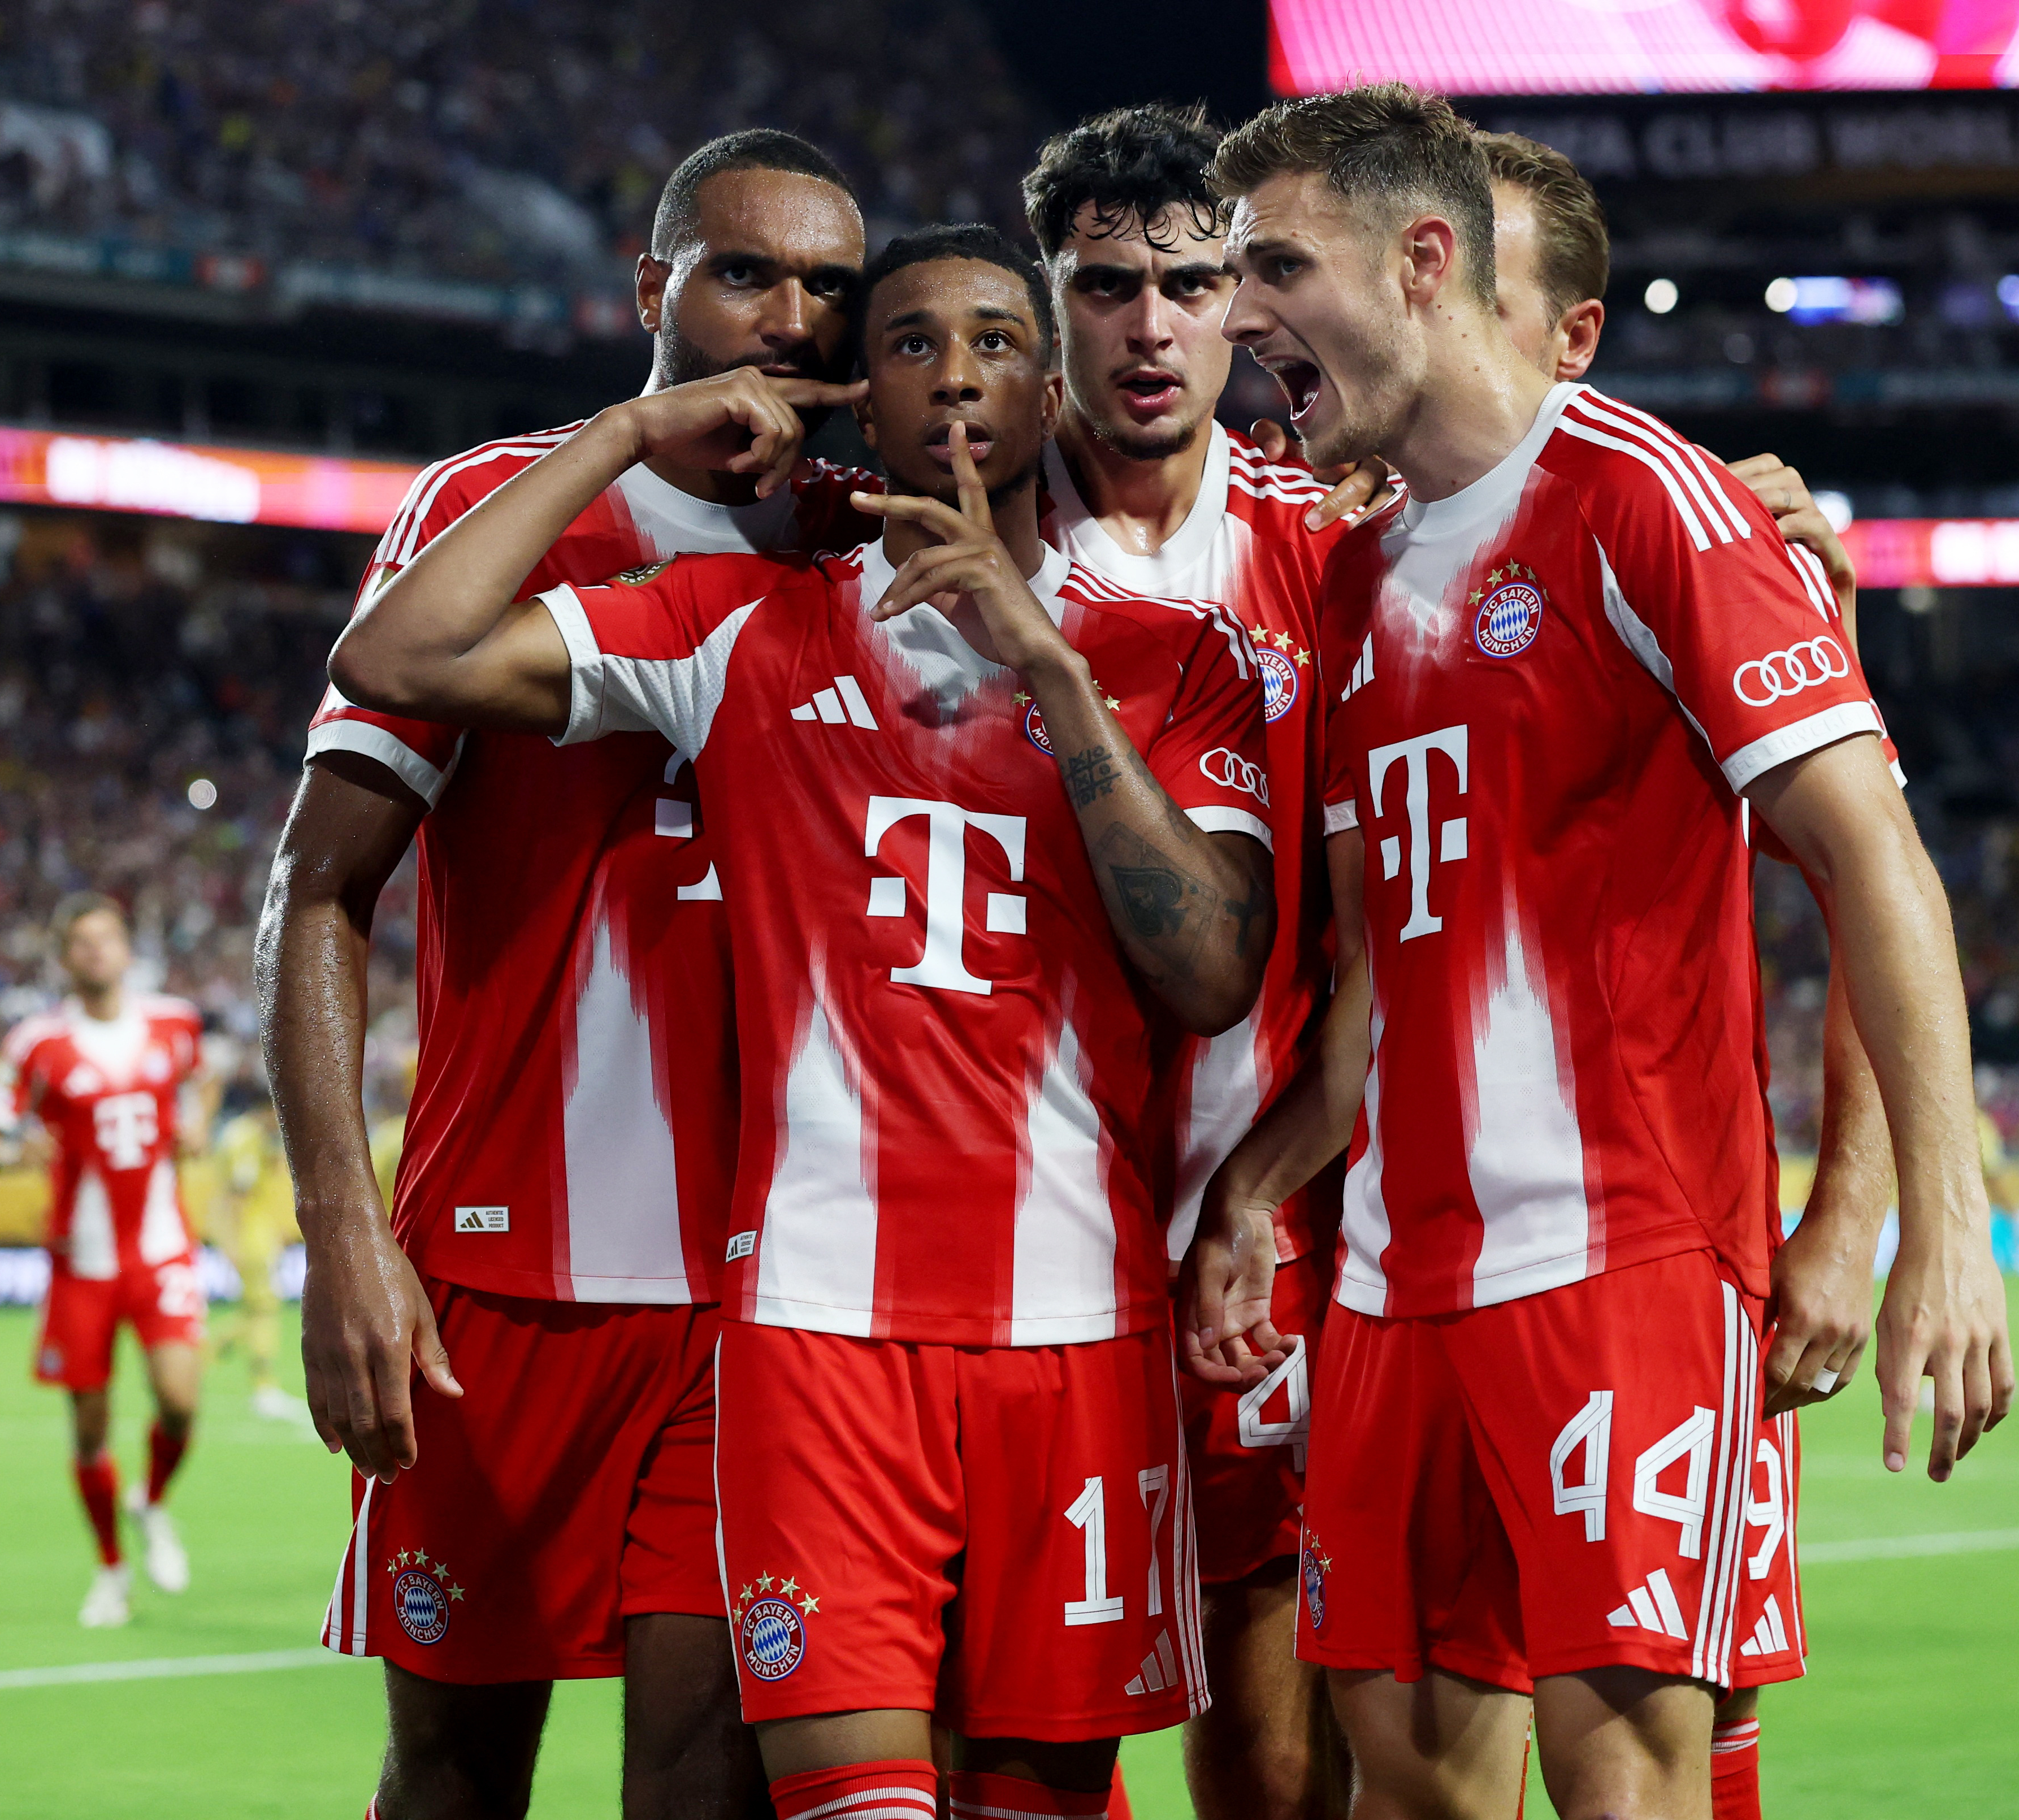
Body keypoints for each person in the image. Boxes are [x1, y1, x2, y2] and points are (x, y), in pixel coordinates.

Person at [326, 222, 1275, 1820]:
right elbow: (394, 652)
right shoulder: (739, 626)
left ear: (1052, 391)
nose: (956, 372)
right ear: (861, 404)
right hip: (816, 1344)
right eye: (908, 344)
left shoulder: (1178, 663)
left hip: (1085, 1345)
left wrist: (1043, 664)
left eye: (992, 340)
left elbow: (1210, 972)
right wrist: (625, 428)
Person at [1188, 83, 2014, 1820]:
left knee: (1628, 1781)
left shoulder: (1649, 501)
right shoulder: (1349, 583)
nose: (1235, 312)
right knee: (1403, 1784)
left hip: (1622, 1256)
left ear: (1423, 263)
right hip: (1389, 1288)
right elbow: (1377, 984)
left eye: (1273, 262)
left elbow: (1872, 856)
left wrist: (1926, 1224)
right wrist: (1266, 1186)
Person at [259, 128, 872, 1820]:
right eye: (747, 270)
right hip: (497, 1270)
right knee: (453, 1773)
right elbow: (318, 885)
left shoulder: (866, 544)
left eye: (830, 284)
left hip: (761, 1292)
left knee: (700, 1779)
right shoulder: (491, 513)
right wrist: (339, 1228)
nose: (791, 316)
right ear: (650, 285)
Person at [1471, 128, 1899, 1820]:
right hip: (1351, 1266)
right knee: (1347, 1754)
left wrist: (1853, 1216)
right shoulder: (1329, 545)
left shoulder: (1673, 535)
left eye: (1466, 283)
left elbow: (1879, 885)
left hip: (1638, 1255)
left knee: (1667, 1739)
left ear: (1565, 333)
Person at [1019, 103, 1381, 1820]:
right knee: (1020, 1727)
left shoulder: (1329, 547)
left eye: (1187, 282)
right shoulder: (942, 538)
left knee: (1264, 1736)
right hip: (1015, 1239)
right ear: (1051, 293)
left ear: (1238, 300)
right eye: (1105, 285)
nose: (1149, 325)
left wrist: (1767, 509)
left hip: (1258, 1229)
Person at [0, 891, 209, 1629]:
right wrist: (11, 1156)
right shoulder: (36, 1043)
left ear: (127, 948)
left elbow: (199, 1082)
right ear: (65, 958)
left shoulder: (176, 1023)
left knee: (180, 1402)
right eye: (82, 942)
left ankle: (152, 1501)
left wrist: (194, 1122)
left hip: (162, 1253)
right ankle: (110, 1569)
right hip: (81, 1263)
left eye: (108, 939)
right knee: (90, 1428)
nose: (97, 952)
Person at [205, 1080, 302, 1422]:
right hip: (251, 1237)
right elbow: (239, 1193)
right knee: (264, 1310)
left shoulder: (239, 1134)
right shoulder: (246, 1138)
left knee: (257, 1309)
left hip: (252, 1234)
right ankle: (265, 1389)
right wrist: (234, 1242)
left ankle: (204, 1351)